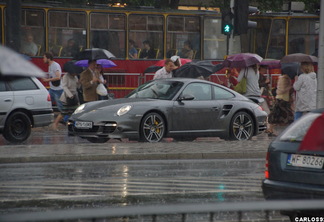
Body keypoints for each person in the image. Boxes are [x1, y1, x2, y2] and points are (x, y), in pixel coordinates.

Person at [42, 52, 64, 130]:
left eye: (44, 57)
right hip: (52, 89)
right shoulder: (50, 66)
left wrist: (47, 80)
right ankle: (47, 122)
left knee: (61, 108)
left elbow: (58, 77)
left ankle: (60, 123)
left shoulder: (55, 65)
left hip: (58, 90)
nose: (43, 59)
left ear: (48, 58)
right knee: (46, 103)